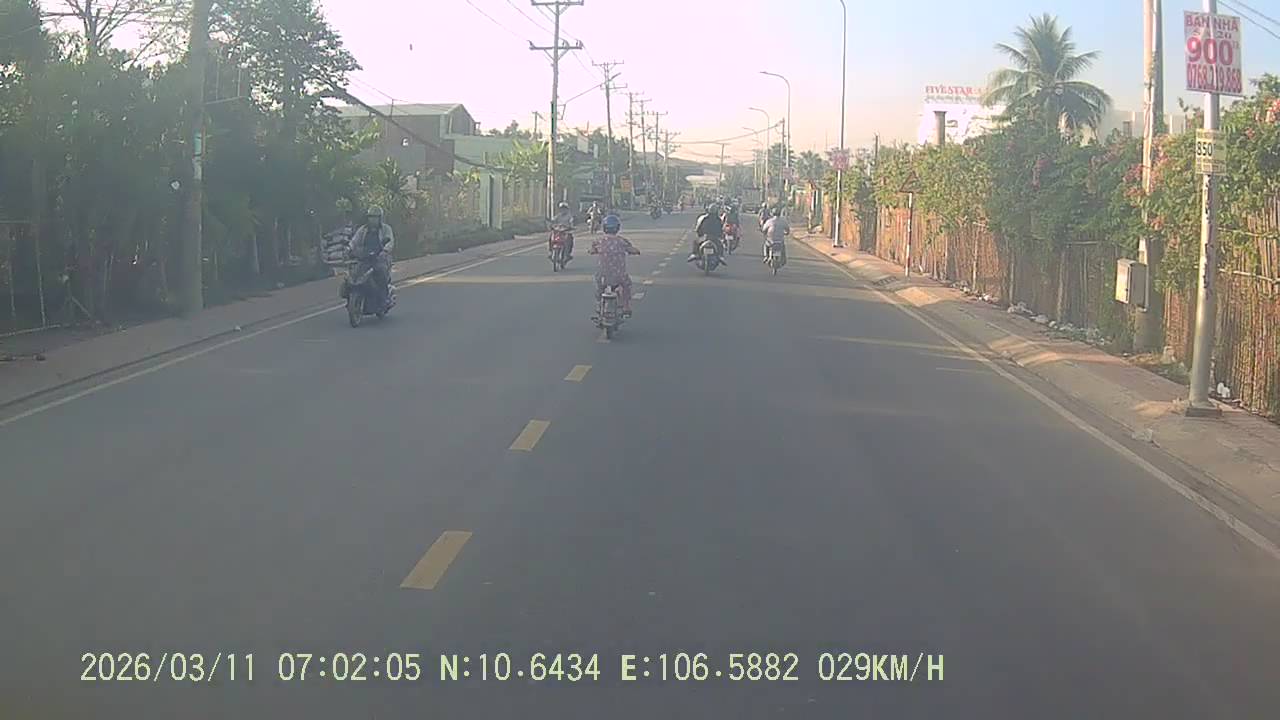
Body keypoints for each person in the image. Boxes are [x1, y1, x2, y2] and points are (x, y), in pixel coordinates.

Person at [589, 214, 639, 317]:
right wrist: (635, 251)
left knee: (598, 287)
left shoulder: (599, 241)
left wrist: (593, 251)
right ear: (617, 228)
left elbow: (592, 250)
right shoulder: (622, 241)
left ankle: (599, 304)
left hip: (603, 275)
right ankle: (626, 306)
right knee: (627, 285)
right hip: (619, 275)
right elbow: (632, 250)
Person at [348, 205, 394, 304]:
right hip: (365, 257)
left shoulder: (386, 229)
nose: (373, 219)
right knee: (353, 273)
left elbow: (390, 242)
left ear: (380, 218)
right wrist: (349, 248)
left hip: (380, 258)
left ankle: (385, 297)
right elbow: (354, 241)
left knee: (381, 272)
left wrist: (385, 251)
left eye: (375, 217)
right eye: (371, 217)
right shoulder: (363, 229)